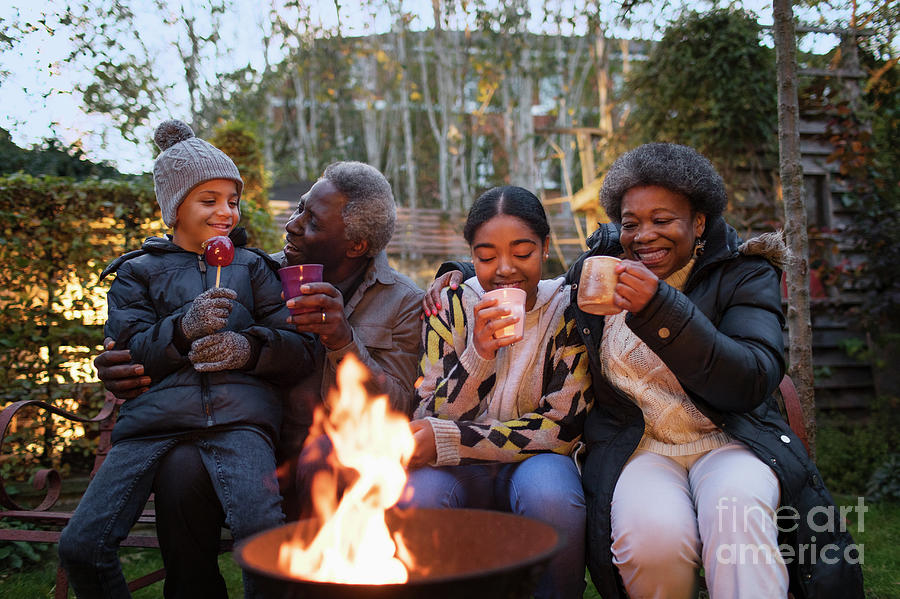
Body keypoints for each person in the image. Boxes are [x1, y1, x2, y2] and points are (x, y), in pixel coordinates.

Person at [425, 144, 864, 599]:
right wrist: (459, 274)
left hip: (731, 438)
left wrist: (661, 307)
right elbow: (523, 273)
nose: (644, 235)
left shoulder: (743, 274)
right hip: (641, 446)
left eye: (662, 220)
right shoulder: (601, 272)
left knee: (736, 524)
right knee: (651, 543)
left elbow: (751, 377)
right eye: (631, 223)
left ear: (698, 222)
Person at [93, 160, 424, 598]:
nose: (291, 225)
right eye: (300, 208)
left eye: (311, 222)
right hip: (249, 445)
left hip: (332, 464)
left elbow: (398, 408)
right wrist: (125, 365)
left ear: (356, 245)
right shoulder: (251, 269)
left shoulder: (403, 303)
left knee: (324, 461)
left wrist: (342, 341)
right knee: (181, 465)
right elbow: (168, 332)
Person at [58, 120, 314, 599]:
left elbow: (299, 348)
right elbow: (129, 351)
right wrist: (182, 327)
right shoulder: (137, 272)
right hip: (151, 423)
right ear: (175, 208)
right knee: (82, 546)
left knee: (266, 544)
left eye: (232, 201)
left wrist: (248, 347)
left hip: (241, 422)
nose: (226, 212)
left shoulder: (254, 267)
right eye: (209, 200)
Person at [401, 185, 593, 599]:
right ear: (472, 258)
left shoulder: (567, 311)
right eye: (487, 257)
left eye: (522, 252)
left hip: (538, 462)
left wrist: (453, 440)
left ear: (545, 248)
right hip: (459, 470)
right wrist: (480, 353)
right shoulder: (450, 305)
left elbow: (561, 428)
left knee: (554, 499)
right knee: (417, 498)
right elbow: (428, 413)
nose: (504, 269)